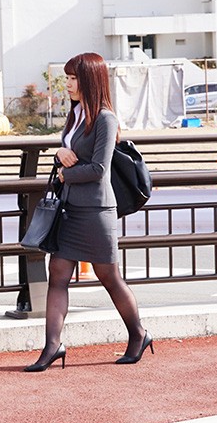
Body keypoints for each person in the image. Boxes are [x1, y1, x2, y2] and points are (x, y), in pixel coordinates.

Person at [24, 52, 153, 372]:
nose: (67, 84)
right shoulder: (75, 115)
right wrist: (60, 153)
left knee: (109, 277)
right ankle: (52, 346)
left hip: (96, 211)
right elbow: (70, 153)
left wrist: (66, 172)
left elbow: (99, 169)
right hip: (69, 209)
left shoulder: (106, 118)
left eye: (73, 78)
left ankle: (138, 333)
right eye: (67, 78)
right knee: (58, 275)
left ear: (90, 81)